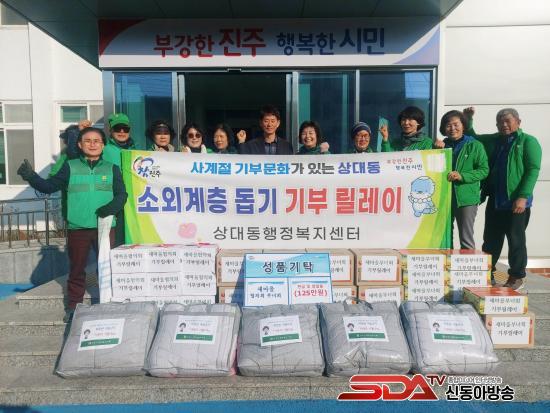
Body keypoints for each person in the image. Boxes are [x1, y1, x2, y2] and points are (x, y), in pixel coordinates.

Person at [17, 127, 127, 322]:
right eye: (87, 141)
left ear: (103, 145)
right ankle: (74, 306)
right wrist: (31, 176)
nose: (92, 144)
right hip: (78, 227)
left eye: (97, 141)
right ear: (79, 145)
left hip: (105, 226)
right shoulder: (70, 166)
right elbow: (49, 186)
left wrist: (110, 208)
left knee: (107, 267)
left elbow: (121, 195)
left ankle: (111, 302)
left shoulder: (112, 168)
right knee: (77, 269)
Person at [465, 107, 542, 290]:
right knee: (491, 240)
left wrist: (523, 197)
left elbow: (533, 170)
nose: (504, 125)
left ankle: (517, 276)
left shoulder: (528, 141)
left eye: (508, 121)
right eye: (500, 122)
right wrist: (468, 120)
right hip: (496, 199)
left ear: (518, 122)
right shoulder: (494, 140)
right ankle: (487, 274)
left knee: (516, 240)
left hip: (516, 201)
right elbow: (472, 138)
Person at [439, 110, 489, 250]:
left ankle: (468, 264)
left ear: (463, 125)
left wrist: (462, 176)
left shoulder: (475, 145)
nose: (452, 128)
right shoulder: (441, 145)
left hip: (466, 199)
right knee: (443, 236)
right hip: (443, 198)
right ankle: (446, 262)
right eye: (448, 125)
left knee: (466, 238)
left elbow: (484, 170)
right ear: (444, 128)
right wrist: (436, 151)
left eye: (456, 124)